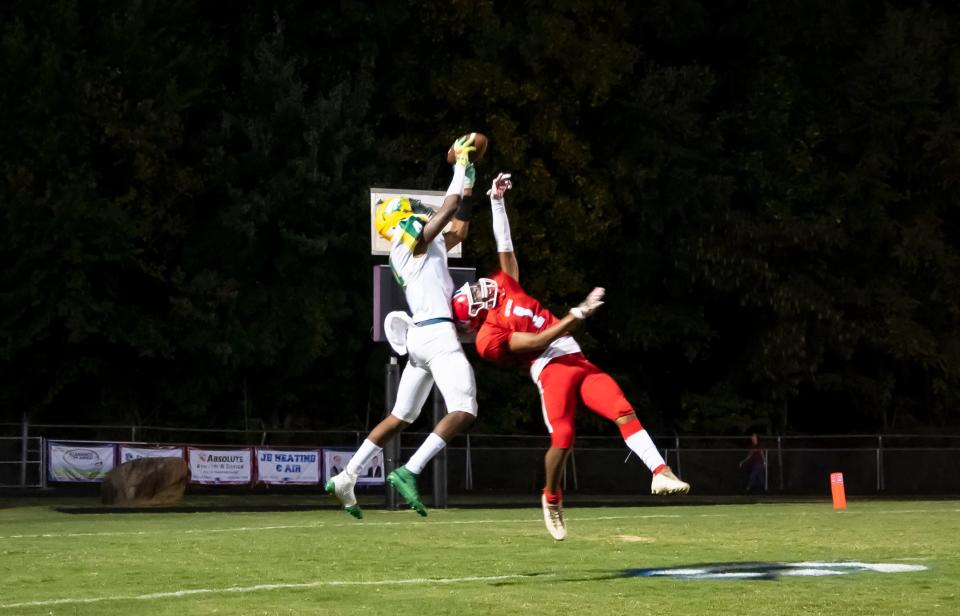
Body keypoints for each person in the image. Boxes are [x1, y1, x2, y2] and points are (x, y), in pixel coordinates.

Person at [452, 172, 690, 540]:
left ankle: (660, 472)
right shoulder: (488, 337)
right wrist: (576, 314)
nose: (480, 287)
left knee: (622, 408)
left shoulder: (504, 285)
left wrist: (497, 201)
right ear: (476, 316)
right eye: (475, 297)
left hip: (575, 358)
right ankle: (551, 497)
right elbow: (536, 342)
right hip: (550, 367)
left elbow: (506, 246)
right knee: (564, 436)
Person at [325, 135, 480, 519]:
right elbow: (447, 208)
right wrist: (459, 166)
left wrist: (470, 180)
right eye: (411, 209)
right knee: (465, 408)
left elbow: (457, 228)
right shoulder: (406, 242)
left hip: (420, 341)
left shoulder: (417, 246)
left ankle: (347, 475)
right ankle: (411, 469)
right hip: (436, 334)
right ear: (401, 218)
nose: (418, 211)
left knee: (400, 417)